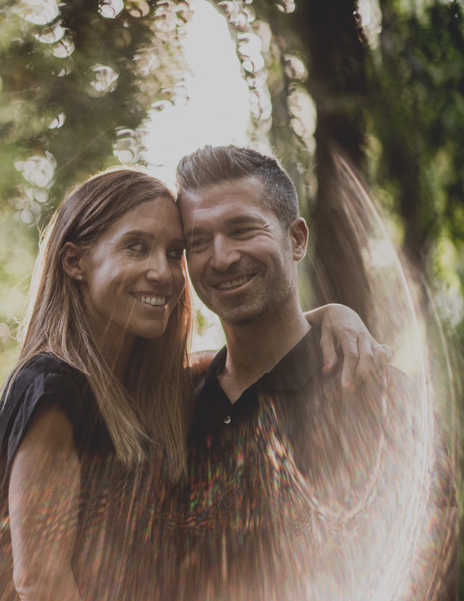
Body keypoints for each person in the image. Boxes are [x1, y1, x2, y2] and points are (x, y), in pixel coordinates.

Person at [0, 166, 387, 601]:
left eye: (174, 252)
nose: (162, 272)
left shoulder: (142, 391)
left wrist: (329, 315)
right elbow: (39, 581)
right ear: (74, 261)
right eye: (136, 247)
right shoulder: (50, 389)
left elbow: (249, 361)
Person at [174, 145, 457, 600]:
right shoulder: (176, 408)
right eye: (198, 242)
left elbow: (429, 576)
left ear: (296, 239)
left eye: (242, 229)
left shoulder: (381, 399)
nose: (221, 257)